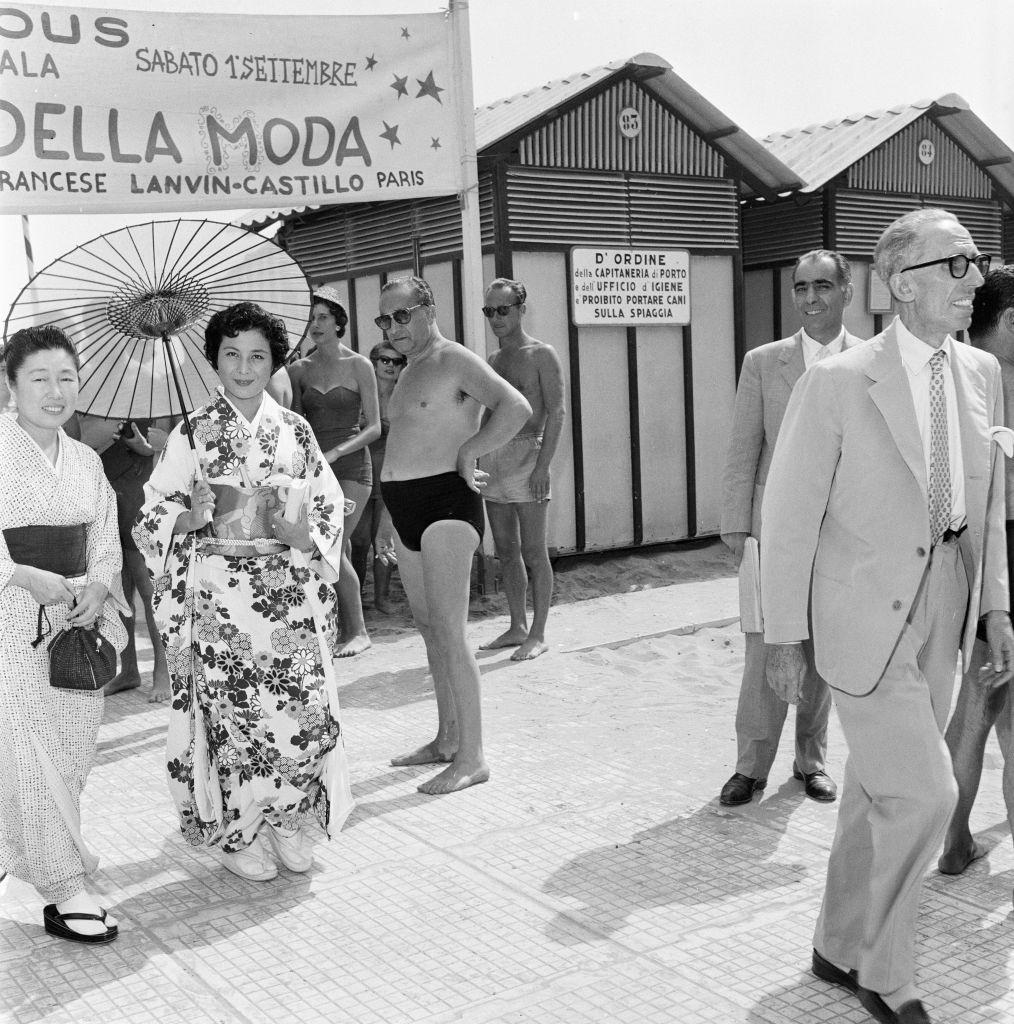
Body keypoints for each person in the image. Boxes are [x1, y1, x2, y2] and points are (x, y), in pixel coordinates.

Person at [761, 208, 1014, 1024]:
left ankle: (835, 946)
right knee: (929, 794)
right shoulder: (835, 381)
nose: (974, 280)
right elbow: (790, 516)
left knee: (878, 789)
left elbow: (987, 503)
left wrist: (996, 607)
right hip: (858, 612)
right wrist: (783, 638)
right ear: (902, 283)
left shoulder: (981, 373)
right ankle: (883, 967)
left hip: (948, 602)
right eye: (958, 264)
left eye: (976, 265)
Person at [134, 301, 354, 882]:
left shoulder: (295, 430)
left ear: (274, 361)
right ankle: (240, 832)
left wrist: (305, 533)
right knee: (234, 711)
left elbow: (329, 501)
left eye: (257, 355)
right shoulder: (193, 431)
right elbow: (150, 511)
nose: (243, 366)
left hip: (283, 587)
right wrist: (186, 517)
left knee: (296, 706)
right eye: (231, 354)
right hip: (218, 597)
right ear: (214, 361)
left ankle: (289, 820)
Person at [375, 276, 530, 794]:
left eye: (401, 316)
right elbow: (400, 446)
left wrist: (471, 451)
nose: (393, 328)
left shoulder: (454, 358)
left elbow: (516, 407)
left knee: (450, 628)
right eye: (384, 320)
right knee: (427, 627)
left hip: (446, 502)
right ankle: (446, 738)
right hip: (404, 508)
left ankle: (473, 756)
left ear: (428, 308)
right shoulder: (408, 372)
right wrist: (385, 516)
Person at [718, 249, 862, 807]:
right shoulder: (764, 362)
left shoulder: (870, 360)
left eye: (822, 286)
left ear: (846, 291)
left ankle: (812, 760)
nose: (811, 298)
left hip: (841, 533)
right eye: (801, 288)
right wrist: (736, 524)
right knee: (765, 647)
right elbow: (741, 448)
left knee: (821, 647)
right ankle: (750, 766)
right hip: (772, 533)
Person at [0, 325, 127, 944]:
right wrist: (20, 572)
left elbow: (104, 534)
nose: (55, 391)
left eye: (66, 377)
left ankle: (34, 854)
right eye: (38, 378)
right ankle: (62, 885)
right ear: (10, 385)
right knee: (30, 751)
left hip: (77, 622)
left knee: (73, 750)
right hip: (12, 623)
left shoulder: (86, 459)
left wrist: (100, 586)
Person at [938, 265, 1014, 876]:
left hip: (967, 560)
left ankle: (954, 838)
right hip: (1003, 557)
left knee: (974, 707)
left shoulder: (948, 375)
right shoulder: (998, 379)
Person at [287, 287, 380, 657]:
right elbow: (296, 425)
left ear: (339, 321)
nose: (315, 324)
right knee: (320, 551)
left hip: (354, 469)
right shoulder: (298, 370)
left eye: (323, 316)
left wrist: (337, 451)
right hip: (316, 472)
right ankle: (336, 628)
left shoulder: (360, 365)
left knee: (334, 550)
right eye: (311, 318)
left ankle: (358, 631)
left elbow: (374, 427)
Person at [476, 278, 565, 661]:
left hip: (529, 452)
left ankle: (539, 632)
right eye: (489, 311)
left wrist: (543, 465)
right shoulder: (493, 361)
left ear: (521, 309)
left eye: (503, 310)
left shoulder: (541, 354)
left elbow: (557, 412)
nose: (495, 318)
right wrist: (475, 456)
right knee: (506, 551)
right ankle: (516, 625)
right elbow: (488, 414)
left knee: (533, 549)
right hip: (495, 458)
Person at [78, 413, 172, 702]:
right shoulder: (99, 395)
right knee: (118, 590)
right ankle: (129, 669)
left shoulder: (154, 390)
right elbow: (78, 438)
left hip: (139, 496)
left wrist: (142, 445)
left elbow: (167, 441)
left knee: (149, 590)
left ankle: (163, 671)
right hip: (106, 494)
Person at [349, 341, 405, 613]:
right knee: (359, 541)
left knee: (385, 541)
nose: (390, 366)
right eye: (385, 360)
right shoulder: (360, 394)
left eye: (397, 361)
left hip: (392, 474)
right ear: (373, 361)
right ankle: (357, 600)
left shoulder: (404, 395)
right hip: (362, 472)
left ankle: (381, 599)